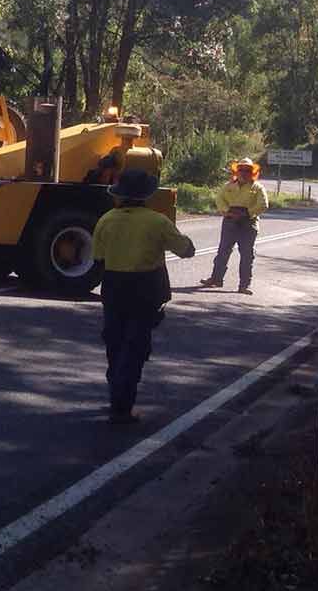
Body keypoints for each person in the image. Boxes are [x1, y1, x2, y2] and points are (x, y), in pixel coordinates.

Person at [90, 169, 196, 424]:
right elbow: (186, 251)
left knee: (114, 342)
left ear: (119, 196)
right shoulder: (157, 221)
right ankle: (123, 408)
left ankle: (116, 395)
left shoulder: (106, 219)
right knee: (136, 346)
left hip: (114, 287)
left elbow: (98, 257)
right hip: (146, 288)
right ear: (146, 196)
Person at [200, 158, 269, 294]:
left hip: (248, 223)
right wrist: (226, 212)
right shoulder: (228, 186)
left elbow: (263, 204)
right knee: (223, 252)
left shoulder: (258, 187)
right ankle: (216, 279)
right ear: (236, 171)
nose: (244, 172)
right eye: (241, 169)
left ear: (252, 172)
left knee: (247, 255)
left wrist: (247, 214)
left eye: (247, 170)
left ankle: (244, 285)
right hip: (230, 221)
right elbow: (219, 199)